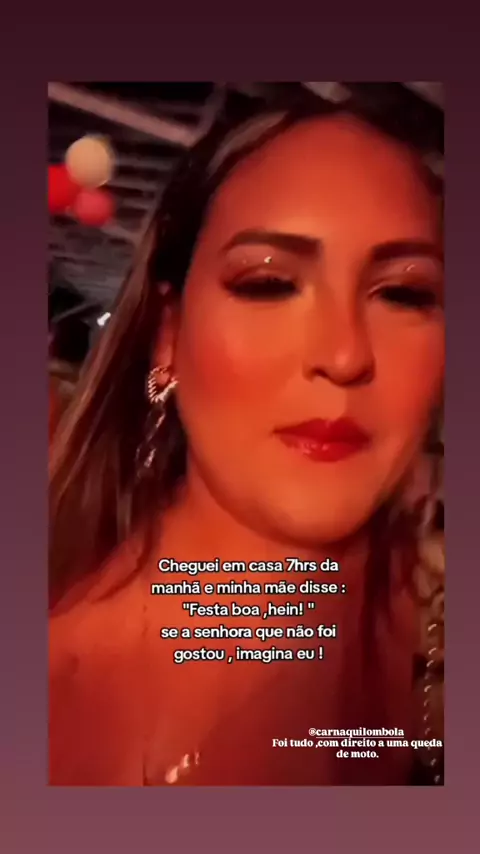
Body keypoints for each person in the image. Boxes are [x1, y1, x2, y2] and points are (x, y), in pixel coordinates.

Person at [49, 93, 444, 786]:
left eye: (403, 294)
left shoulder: (416, 578)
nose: (346, 355)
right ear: (169, 334)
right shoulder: (61, 728)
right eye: (268, 284)